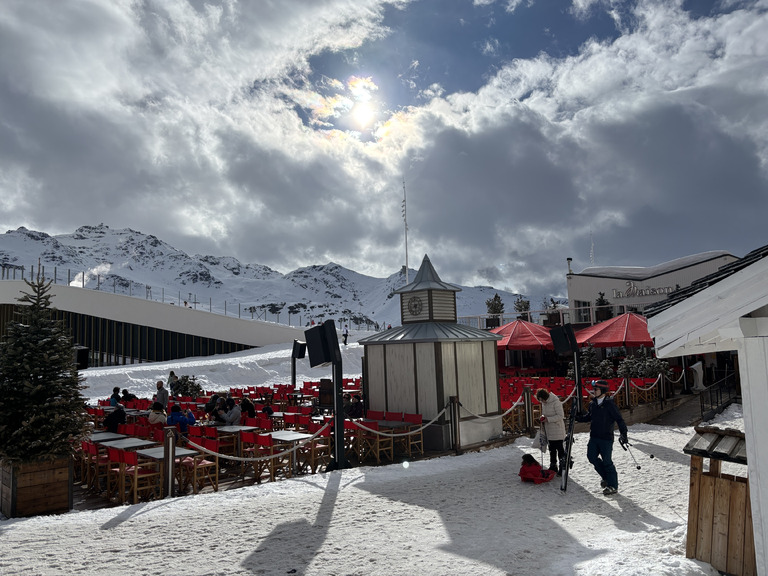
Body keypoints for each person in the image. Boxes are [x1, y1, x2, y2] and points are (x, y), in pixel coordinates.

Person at [576, 380, 629, 496]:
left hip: (606, 438)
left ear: (603, 391)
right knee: (591, 457)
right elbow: (589, 417)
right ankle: (606, 477)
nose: (593, 391)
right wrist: (578, 418)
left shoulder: (610, 404)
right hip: (594, 436)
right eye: (593, 389)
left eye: (596, 389)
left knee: (607, 461)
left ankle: (613, 486)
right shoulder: (593, 404)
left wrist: (623, 434)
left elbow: (619, 420)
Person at [536, 388, 567, 476]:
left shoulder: (555, 402)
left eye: (542, 399)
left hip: (557, 429)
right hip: (549, 430)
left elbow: (561, 416)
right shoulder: (544, 403)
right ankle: (553, 465)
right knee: (552, 449)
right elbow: (545, 413)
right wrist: (542, 417)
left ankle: (562, 466)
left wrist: (548, 419)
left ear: (546, 397)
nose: (542, 401)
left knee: (560, 449)